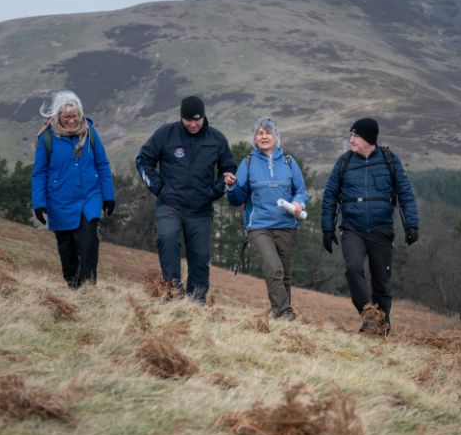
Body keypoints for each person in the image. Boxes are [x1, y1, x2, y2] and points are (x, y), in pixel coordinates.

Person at [321, 117, 418, 334]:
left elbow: (405, 193)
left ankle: (380, 326)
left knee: (381, 281)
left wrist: (412, 224)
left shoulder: (390, 160)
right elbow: (330, 195)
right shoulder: (344, 162)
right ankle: (368, 314)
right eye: (351, 135)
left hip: (381, 229)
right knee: (353, 268)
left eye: (355, 135)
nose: (351, 139)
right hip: (352, 228)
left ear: (368, 138)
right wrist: (327, 228)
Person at [135, 95, 237, 302]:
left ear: (204, 117)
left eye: (197, 120)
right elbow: (143, 160)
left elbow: (228, 170)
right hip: (170, 204)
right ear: (181, 117)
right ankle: (173, 291)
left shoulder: (217, 139)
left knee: (199, 257)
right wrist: (159, 188)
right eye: (188, 119)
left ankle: (196, 301)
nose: (192, 124)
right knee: (167, 238)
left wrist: (214, 191)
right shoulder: (166, 134)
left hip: (201, 209)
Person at [227, 117, 309, 321]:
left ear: (276, 136)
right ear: (254, 138)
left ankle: (283, 320)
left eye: (268, 132)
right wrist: (232, 186)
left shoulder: (289, 162)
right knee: (274, 269)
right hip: (259, 227)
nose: (264, 136)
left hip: (288, 226)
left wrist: (299, 203)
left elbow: (301, 191)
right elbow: (236, 199)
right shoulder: (247, 163)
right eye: (259, 133)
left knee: (285, 276)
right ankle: (284, 313)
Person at [31, 90, 115, 287]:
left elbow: (102, 164)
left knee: (88, 241)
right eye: (66, 117)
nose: (71, 121)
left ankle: (88, 286)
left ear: (80, 114)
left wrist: (108, 196)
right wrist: (39, 203)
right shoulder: (47, 138)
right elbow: (39, 173)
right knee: (67, 248)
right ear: (58, 116)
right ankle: (72, 284)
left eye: (74, 116)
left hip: (89, 197)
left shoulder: (90, 133)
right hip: (59, 201)